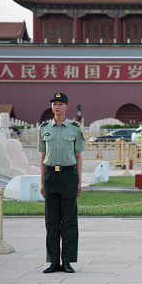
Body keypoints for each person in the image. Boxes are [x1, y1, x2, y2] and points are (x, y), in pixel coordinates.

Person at [38, 92, 85, 274]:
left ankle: (67, 261)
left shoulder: (74, 128)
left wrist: (80, 181)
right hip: (50, 176)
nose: (56, 106)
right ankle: (53, 261)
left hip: (69, 176)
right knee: (51, 221)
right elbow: (42, 157)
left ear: (67, 106)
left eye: (60, 103)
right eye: (54, 103)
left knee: (69, 221)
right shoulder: (44, 128)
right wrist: (42, 181)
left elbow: (79, 156)